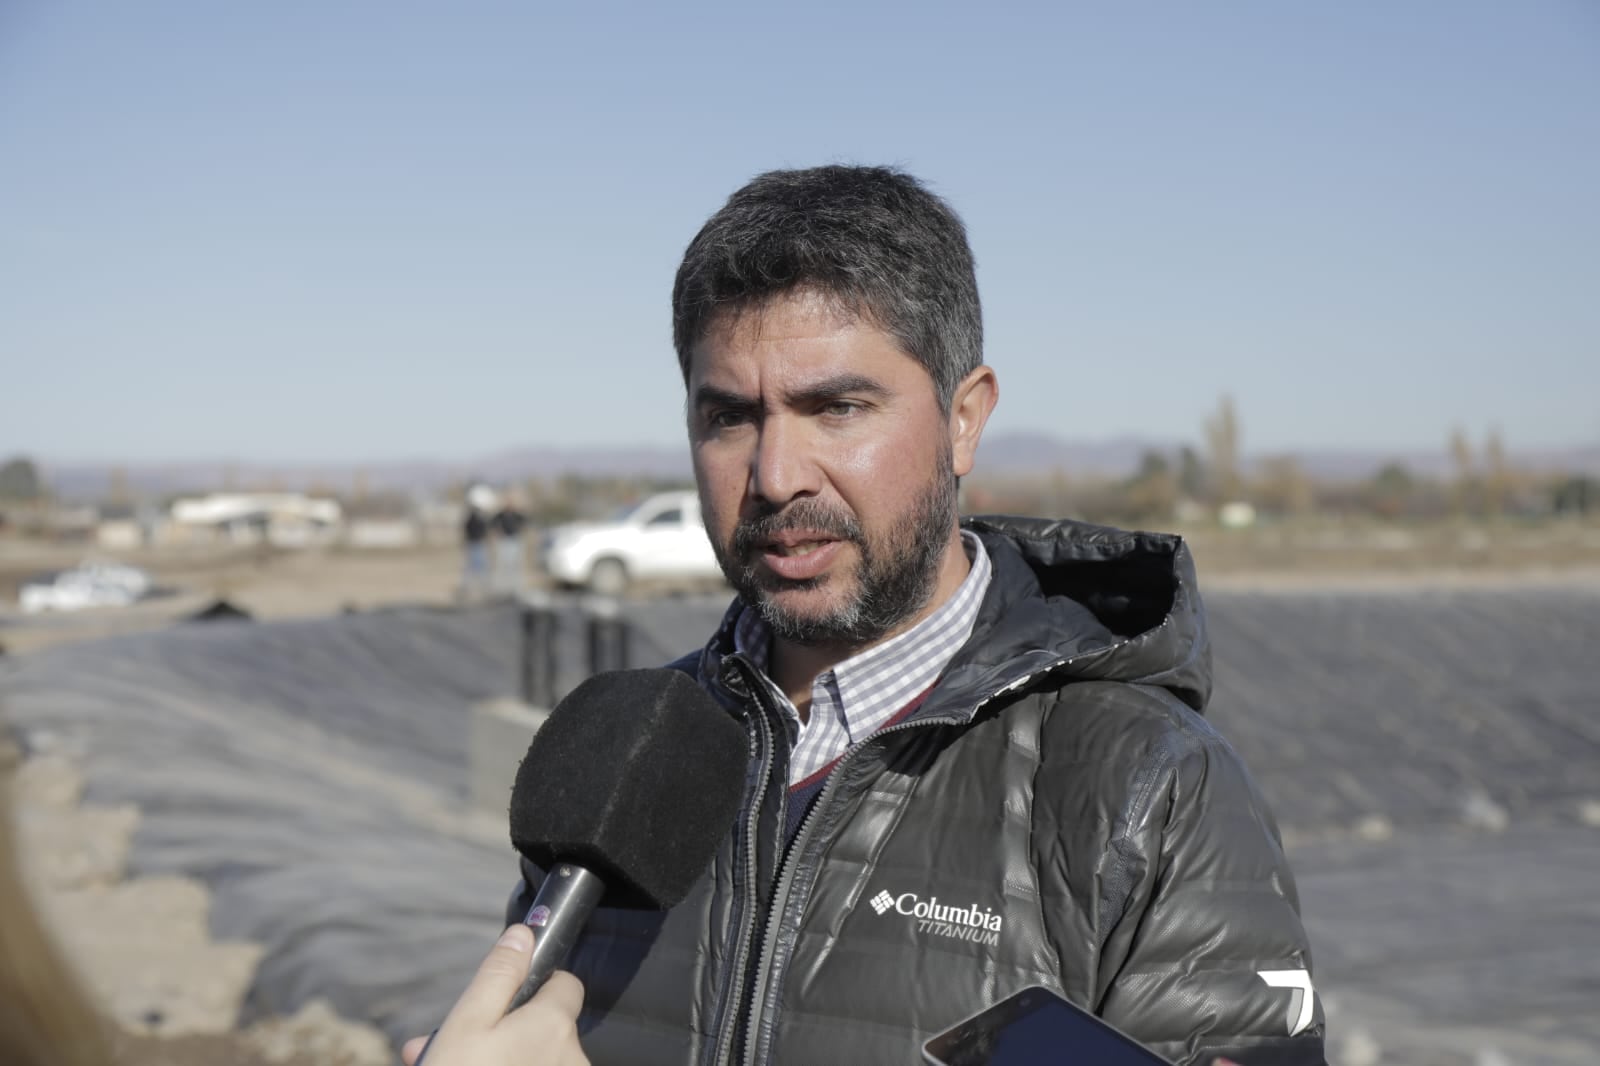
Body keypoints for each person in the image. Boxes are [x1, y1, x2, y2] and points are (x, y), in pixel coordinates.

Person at [500, 166, 1325, 1065]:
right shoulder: (627, 758)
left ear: (964, 419)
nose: (777, 474)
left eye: (839, 408)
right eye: (730, 417)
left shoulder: (1147, 789)